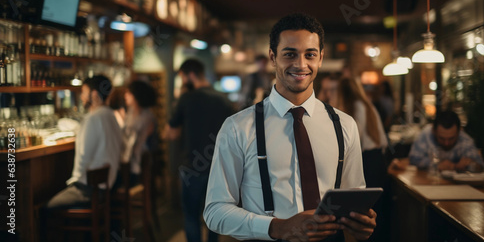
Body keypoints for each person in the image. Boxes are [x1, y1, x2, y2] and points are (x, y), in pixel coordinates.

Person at [204, 13, 376, 242]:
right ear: (273, 57)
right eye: (290, 54)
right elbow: (215, 212)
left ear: (321, 58)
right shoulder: (238, 127)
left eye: (310, 55)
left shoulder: (345, 125)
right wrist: (277, 227)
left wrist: (361, 224)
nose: (301, 64)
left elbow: (354, 198)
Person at [164, 59, 234, 242]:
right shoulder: (224, 99)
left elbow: (170, 133)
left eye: (182, 78)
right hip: (218, 168)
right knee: (213, 217)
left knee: (190, 216)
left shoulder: (186, 99)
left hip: (191, 168)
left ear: (191, 75)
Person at [44, 75, 123, 209]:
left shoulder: (92, 119)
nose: (81, 97)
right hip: (108, 187)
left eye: (84, 93)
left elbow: (83, 157)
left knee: (47, 208)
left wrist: (74, 181)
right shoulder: (112, 116)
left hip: (88, 190)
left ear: (94, 94)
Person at [335, 77, 388, 188]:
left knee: (365, 202)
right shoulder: (368, 105)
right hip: (378, 158)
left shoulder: (355, 107)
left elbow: (355, 138)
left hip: (367, 160)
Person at [409, 110, 484, 172]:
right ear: (433, 131)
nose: (446, 143)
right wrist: (437, 164)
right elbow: (414, 159)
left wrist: (472, 165)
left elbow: (480, 165)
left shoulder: (465, 139)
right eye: (442, 138)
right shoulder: (425, 134)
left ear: (459, 131)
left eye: (451, 138)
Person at [121, 80, 157, 185]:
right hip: (131, 161)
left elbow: (138, 140)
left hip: (137, 164)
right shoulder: (131, 114)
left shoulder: (147, 116)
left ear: (136, 95)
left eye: (128, 93)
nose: (125, 96)